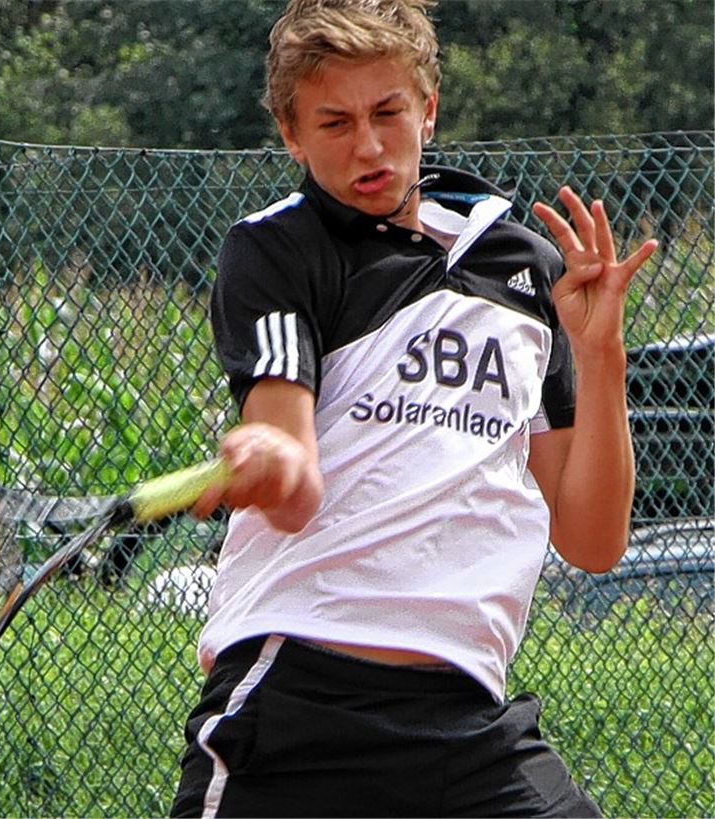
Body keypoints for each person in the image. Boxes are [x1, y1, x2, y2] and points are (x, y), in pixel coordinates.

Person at [170, 0, 659, 816]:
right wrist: (270, 457)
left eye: (388, 112)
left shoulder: (522, 268)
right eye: (333, 122)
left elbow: (593, 538)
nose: (367, 145)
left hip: (468, 719)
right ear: (291, 135)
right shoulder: (277, 248)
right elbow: (294, 482)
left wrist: (599, 350)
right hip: (301, 700)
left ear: (427, 109)